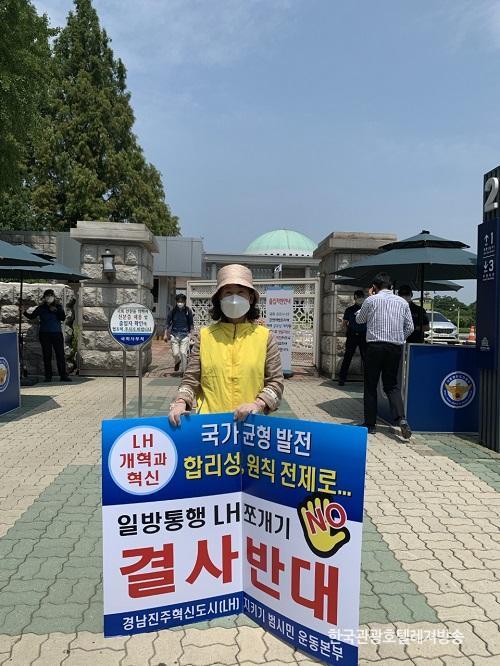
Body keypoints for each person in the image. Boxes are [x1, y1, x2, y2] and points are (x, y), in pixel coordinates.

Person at [169, 264, 284, 425]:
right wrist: (181, 402)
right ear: (219, 298)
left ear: (250, 298)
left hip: (251, 427)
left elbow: (276, 383)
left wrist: (257, 404)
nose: (234, 299)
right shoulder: (205, 336)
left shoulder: (265, 337)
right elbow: (190, 379)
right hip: (212, 427)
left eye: (241, 292)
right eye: (228, 293)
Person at [355, 273, 413, 437]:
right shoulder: (402, 302)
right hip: (395, 348)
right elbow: (410, 327)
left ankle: (370, 424)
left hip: (374, 347)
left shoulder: (371, 300)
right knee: (392, 385)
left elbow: (359, 320)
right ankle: (401, 419)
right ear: (391, 286)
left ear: (374, 287)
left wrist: (369, 297)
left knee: (371, 385)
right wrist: (399, 338)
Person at [24, 289, 71, 382]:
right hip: (44, 334)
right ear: (44, 298)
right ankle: (48, 376)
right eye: (47, 296)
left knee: (60, 354)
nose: (49, 297)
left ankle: (63, 375)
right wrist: (23, 312)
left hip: (56, 333)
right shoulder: (41, 308)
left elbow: (62, 318)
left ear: (54, 297)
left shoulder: (58, 306)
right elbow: (32, 316)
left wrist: (56, 311)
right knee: (47, 355)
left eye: (51, 295)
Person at [338, 290, 367, 386]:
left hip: (364, 335)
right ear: (355, 298)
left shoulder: (366, 309)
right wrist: (348, 331)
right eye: (358, 297)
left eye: (362, 297)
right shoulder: (349, 310)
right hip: (352, 335)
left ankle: (368, 380)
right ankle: (342, 378)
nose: (360, 299)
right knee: (348, 357)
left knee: (366, 358)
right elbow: (344, 323)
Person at [164, 294, 194, 374]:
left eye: (182, 301)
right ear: (176, 302)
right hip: (174, 335)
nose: (180, 303)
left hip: (185, 335)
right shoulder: (173, 311)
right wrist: (165, 334)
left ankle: (184, 372)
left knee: (183, 353)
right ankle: (177, 361)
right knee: (175, 354)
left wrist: (191, 335)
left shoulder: (188, 311)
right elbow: (167, 323)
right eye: (178, 301)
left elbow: (191, 324)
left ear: (184, 302)